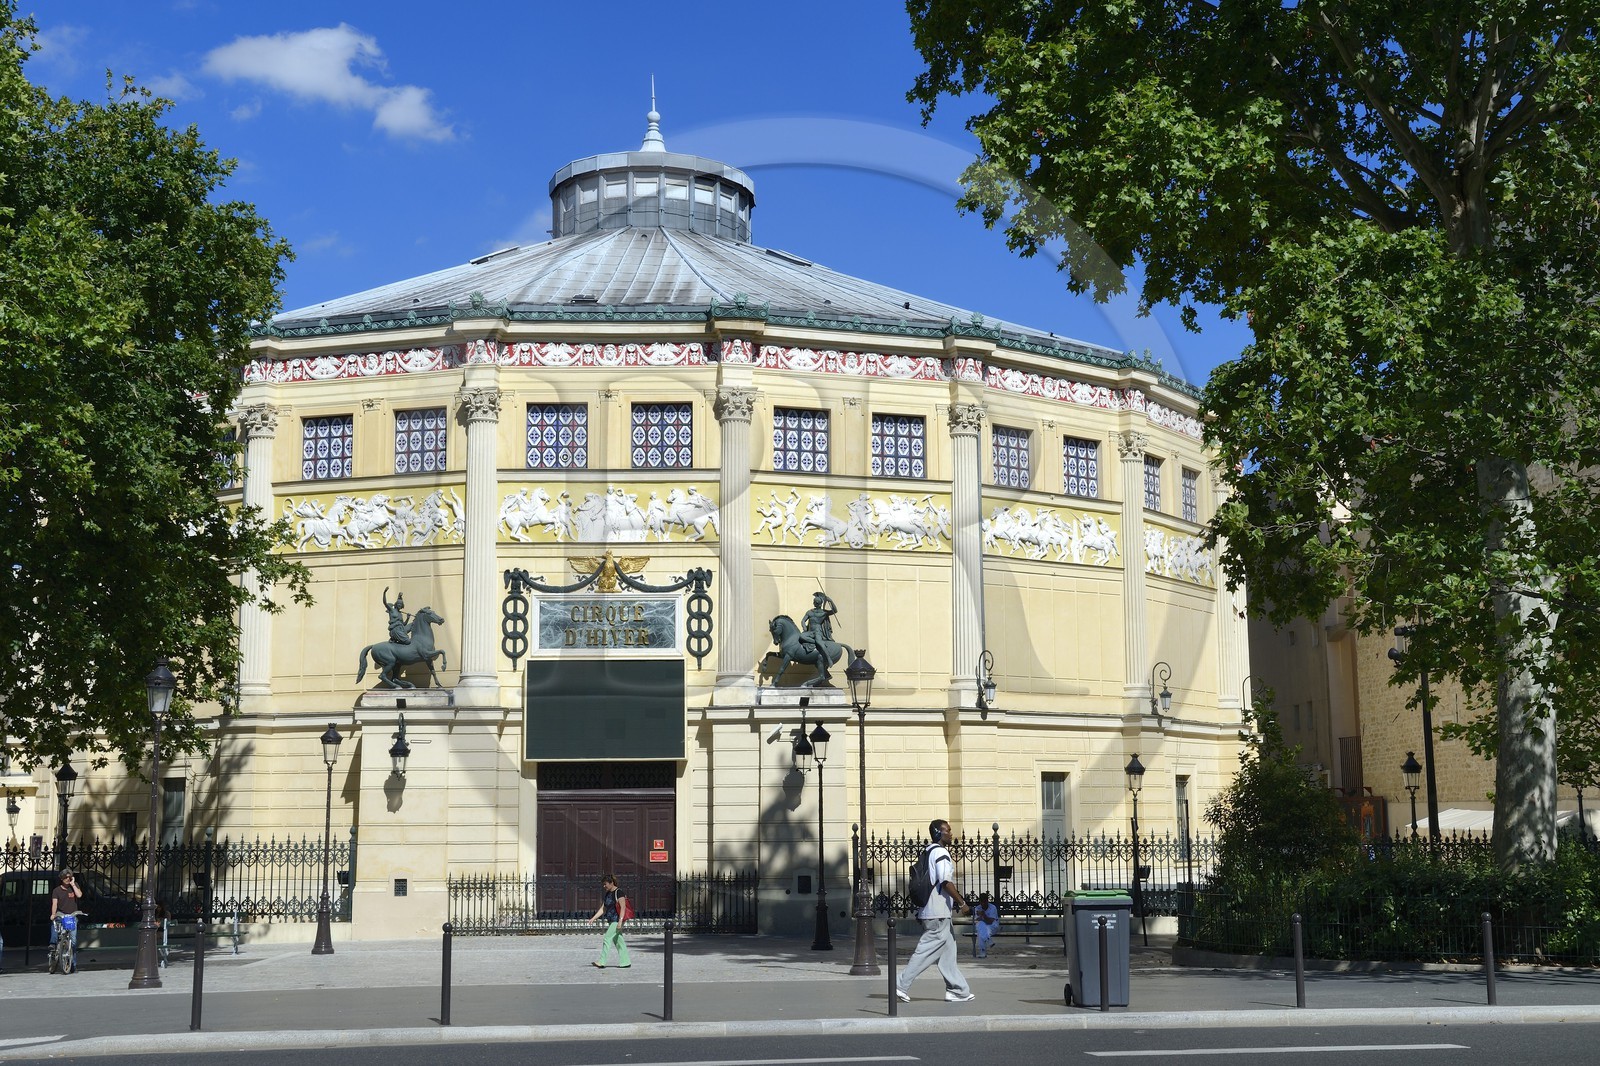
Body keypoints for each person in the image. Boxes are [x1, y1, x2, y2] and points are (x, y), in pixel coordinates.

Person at [895, 818, 975, 1003]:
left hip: (936, 912)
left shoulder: (928, 851)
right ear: (939, 833)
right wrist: (962, 904)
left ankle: (957, 991)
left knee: (948, 953)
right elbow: (945, 881)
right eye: (947, 830)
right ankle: (900, 984)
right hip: (936, 913)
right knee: (925, 951)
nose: (951, 833)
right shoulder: (940, 853)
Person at [587, 873, 630, 969]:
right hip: (611, 920)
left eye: (605, 884)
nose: (604, 886)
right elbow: (603, 908)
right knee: (619, 941)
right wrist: (593, 918)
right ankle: (625, 961)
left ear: (611, 883)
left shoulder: (619, 892)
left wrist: (620, 922)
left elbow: (623, 907)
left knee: (607, 938)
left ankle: (602, 961)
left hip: (617, 920)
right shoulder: (608, 894)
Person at [50, 869, 83, 951]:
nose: (68, 879)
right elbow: (54, 903)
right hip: (61, 914)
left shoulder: (74, 886)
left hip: (72, 915)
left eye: (69, 877)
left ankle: (73, 962)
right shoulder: (56, 891)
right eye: (65, 877)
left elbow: (79, 895)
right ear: (61, 878)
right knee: (55, 924)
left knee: (73, 940)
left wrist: (73, 885)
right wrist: (53, 914)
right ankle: (53, 944)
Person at [973, 891, 1000, 958]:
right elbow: (976, 921)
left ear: (987, 901)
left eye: (985, 902)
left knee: (982, 930)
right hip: (983, 926)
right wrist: (980, 917)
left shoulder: (992, 908)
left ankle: (982, 951)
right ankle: (989, 940)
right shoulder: (977, 908)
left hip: (993, 926)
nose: (983, 904)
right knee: (981, 927)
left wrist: (984, 915)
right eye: (982, 902)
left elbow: (990, 921)